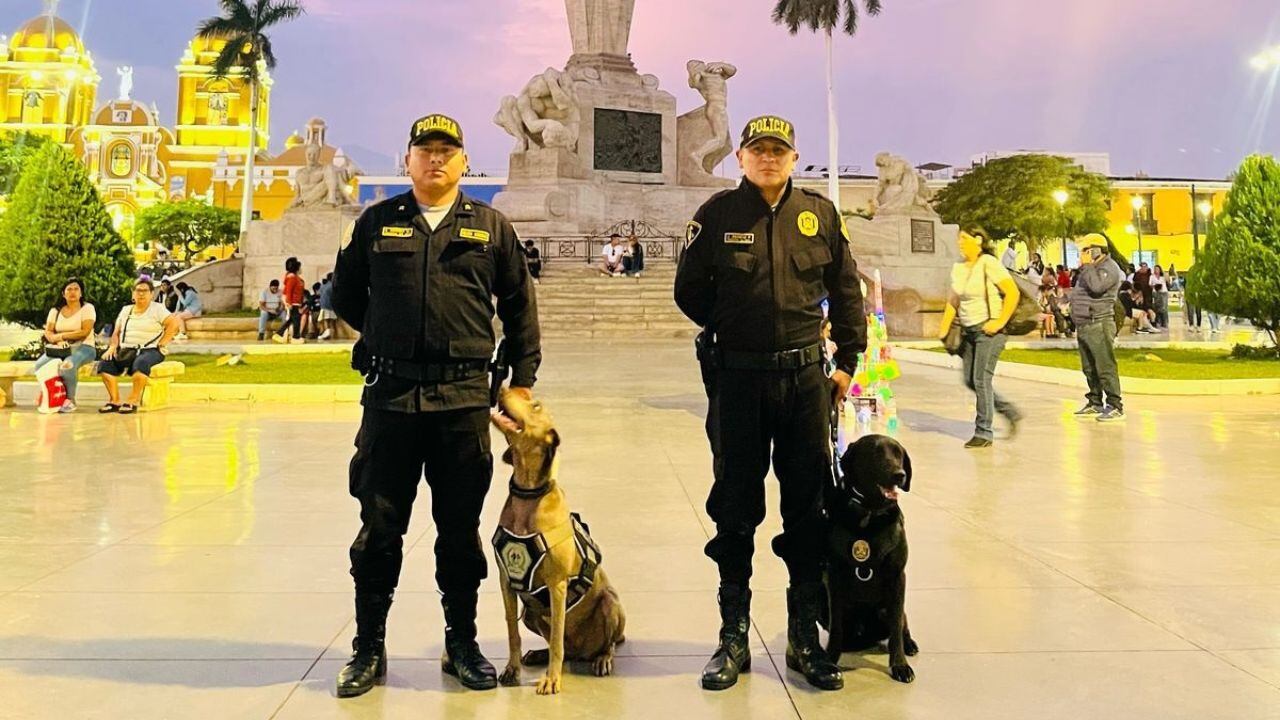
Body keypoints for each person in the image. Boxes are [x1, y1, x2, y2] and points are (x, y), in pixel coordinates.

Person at [330, 113, 540, 698]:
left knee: (458, 533)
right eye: (426, 150)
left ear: (464, 162)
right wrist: (380, 334)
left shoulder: (490, 227)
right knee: (379, 530)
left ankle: (462, 644)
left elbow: (522, 307)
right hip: (391, 400)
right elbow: (343, 292)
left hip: (461, 402)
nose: (436, 160)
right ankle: (368, 648)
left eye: (448, 151)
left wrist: (521, 379)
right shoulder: (377, 222)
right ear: (408, 160)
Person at [675, 115, 866, 693]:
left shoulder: (820, 215)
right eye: (758, 150)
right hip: (737, 383)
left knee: (807, 509)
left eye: (778, 151)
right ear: (741, 157)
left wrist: (847, 363)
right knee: (734, 507)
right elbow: (688, 290)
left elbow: (846, 289)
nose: (768, 159)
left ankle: (803, 638)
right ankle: (733, 636)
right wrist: (732, 327)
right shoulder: (716, 215)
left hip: (806, 382)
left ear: (793, 157)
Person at [938, 231, 1022, 448]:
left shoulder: (989, 263)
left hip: (989, 331)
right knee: (969, 379)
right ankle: (1009, 411)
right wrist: (944, 328)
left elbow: (1012, 293)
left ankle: (983, 432)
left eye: (964, 238)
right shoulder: (958, 267)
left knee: (981, 379)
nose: (960, 243)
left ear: (978, 240)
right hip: (968, 332)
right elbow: (953, 300)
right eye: (958, 238)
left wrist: (1000, 322)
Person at [98, 279, 178, 414]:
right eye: (138, 291)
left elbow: (173, 324)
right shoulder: (126, 310)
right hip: (127, 349)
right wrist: (112, 347)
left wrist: (163, 342)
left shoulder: (157, 309)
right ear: (133, 293)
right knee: (105, 364)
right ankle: (114, 400)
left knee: (141, 364)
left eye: (145, 291)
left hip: (151, 349)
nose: (141, 294)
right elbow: (116, 332)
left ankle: (132, 400)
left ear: (151, 294)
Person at [1069, 235, 1125, 421]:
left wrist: (1088, 266)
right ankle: (1095, 401)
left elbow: (1097, 288)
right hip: (1084, 323)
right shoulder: (1091, 269)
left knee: (1104, 366)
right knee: (1089, 367)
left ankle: (1115, 404)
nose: (1081, 255)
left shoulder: (1109, 268)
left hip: (1099, 323)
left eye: (1085, 250)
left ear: (1095, 250)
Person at [33, 278, 98, 413]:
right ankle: (50, 393)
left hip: (84, 347)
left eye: (76, 289)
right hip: (60, 348)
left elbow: (84, 332)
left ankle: (69, 400)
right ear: (63, 294)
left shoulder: (87, 308)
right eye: (69, 289)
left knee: (67, 366)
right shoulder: (55, 311)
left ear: (81, 293)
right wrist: (58, 341)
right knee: (40, 365)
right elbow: (49, 332)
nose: (72, 292)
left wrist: (61, 336)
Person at [273, 257, 306, 344]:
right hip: (293, 302)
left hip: (296, 302)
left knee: (293, 319)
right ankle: (295, 337)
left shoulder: (295, 278)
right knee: (296, 319)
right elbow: (289, 291)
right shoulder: (292, 278)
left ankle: (280, 334)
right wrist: (289, 302)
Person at [317, 273, 338, 340]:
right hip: (330, 306)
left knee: (326, 320)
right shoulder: (332, 286)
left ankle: (327, 333)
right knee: (332, 322)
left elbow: (319, 293)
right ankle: (333, 336)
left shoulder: (323, 286)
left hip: (324, 306)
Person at [1151, 265, 1169, 330]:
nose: (1156, 270)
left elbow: (1168, 283)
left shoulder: (1162, 277)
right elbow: (1150, 284)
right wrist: (1155, 286)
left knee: (1164, 308)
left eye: (1157, 269)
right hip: (1156, 292)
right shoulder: (1152, 277)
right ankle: (1158, 322)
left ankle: (1165, 323)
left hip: (1163, 292)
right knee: (1157, 307)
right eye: (1155, 269)